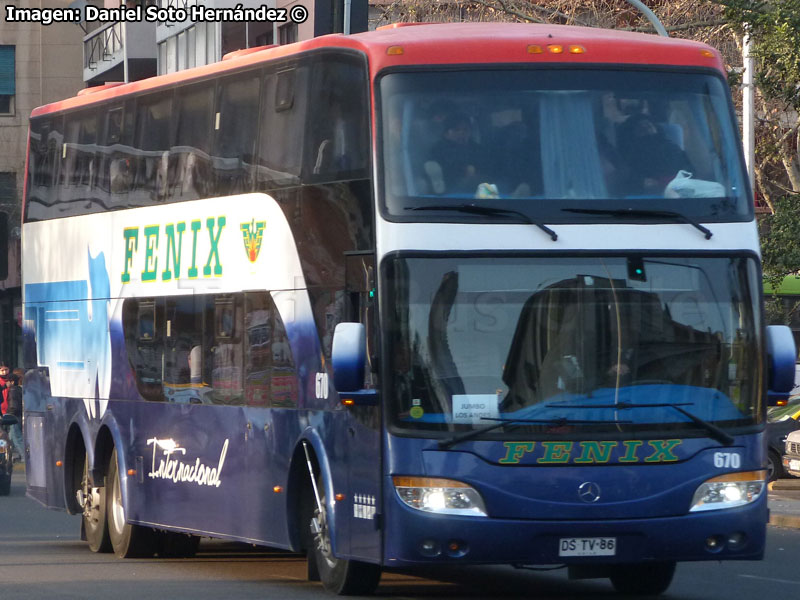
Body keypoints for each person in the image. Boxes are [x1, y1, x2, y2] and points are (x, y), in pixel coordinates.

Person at [618, 113, 690, 194]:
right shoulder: (632, 154)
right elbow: (629, 179)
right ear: (633, 134)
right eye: (641, 128)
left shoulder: (672, 146)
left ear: (656, 128)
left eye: (649, 126)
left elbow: (688, 169)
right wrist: (642, 183)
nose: (647, 129)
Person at [425, 113, 484, 195]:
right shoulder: (438, 149)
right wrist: (464, 169)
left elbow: (486, 167)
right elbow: (446, 169)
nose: (462, 132)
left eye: (465, 129)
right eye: (457, 129)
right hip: (449, 190)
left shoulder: (477, 149)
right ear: (446, 133)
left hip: (479, 191)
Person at [6, 370, 23, 463]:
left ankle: (25, 458)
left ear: (12, 382)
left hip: (14, 417)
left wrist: (9, 414)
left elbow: (13, 406)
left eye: (8, 381)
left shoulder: (12, 390)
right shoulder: (19, 389)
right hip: (18, 416)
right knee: (10, 438)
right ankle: (9, 456)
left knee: (17, 438)